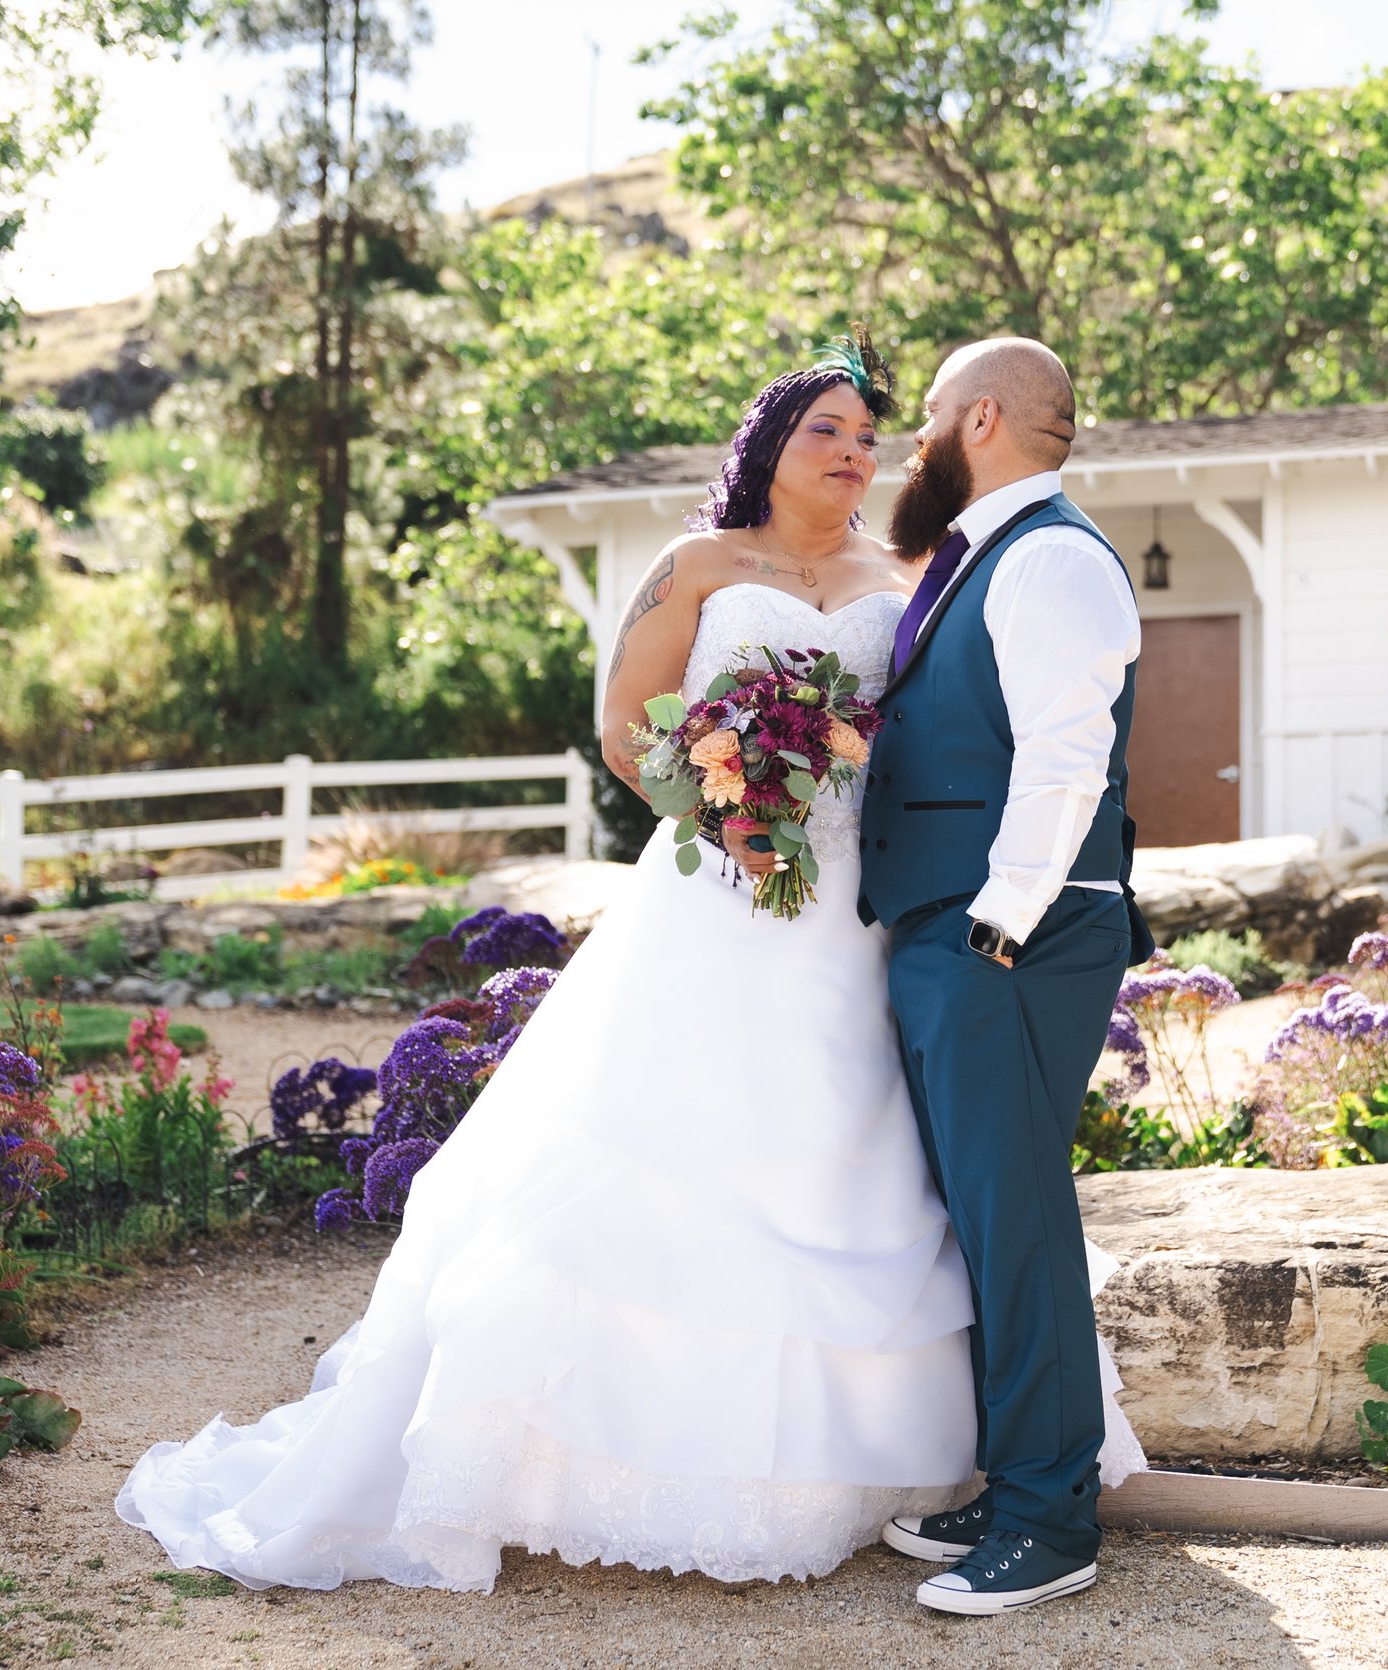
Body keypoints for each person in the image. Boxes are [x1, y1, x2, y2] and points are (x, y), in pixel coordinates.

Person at [114, 335, 1142, 1595]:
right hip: (719, 897)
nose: (858, 449)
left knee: (882, 1173)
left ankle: (930, 1472)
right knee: (676, 1152)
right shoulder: (698, 564)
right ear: (768, 444)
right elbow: (624, 727)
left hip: (865, 919)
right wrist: (727, 805)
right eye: (827, 428)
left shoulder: (921, 572)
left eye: (870, 431)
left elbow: (956, 734)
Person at [860, 337, 1150, 1616]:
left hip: (1011, 939)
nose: (911, 443)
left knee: (1019, 1222)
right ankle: (1016, 1472)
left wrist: (995, 924)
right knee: (985, 1220)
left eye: (924, 417)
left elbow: (1065, 756)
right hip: (965, 932)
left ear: (978, 417)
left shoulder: (1050, 560)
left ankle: (1048, 1518)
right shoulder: (987, 555)